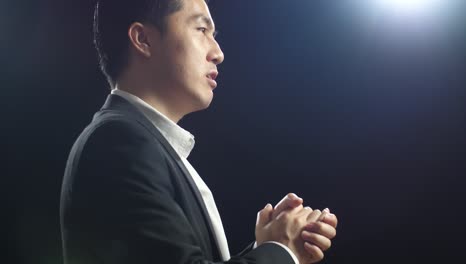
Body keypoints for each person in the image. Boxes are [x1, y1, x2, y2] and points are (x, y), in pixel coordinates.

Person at [60, 0, 338, 263]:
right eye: (202, 29)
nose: (218, 53)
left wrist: (270, 248)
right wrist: (280, 251)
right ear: (143, 40)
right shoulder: (119, 143)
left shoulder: (141, 142)